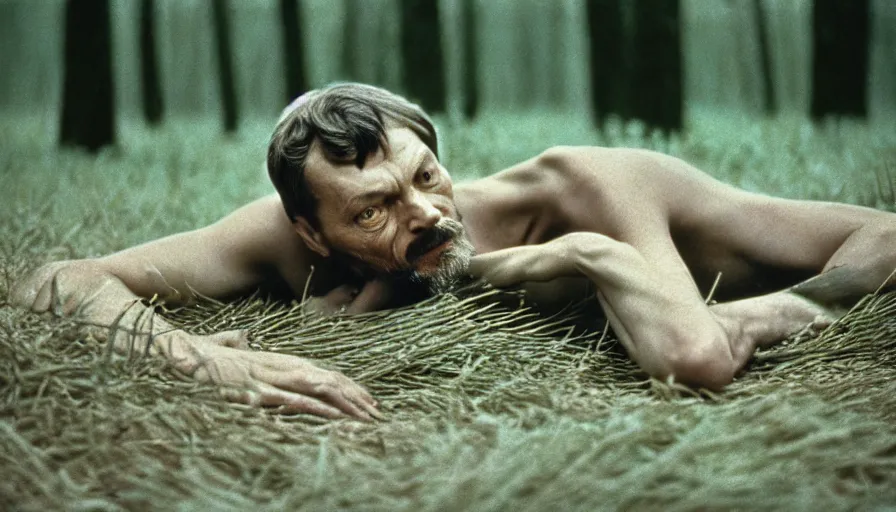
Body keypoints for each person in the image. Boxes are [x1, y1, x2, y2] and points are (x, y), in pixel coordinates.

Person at [12, 83, 896, 421]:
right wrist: (202, 360)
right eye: (376, 211)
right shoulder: (286, 240)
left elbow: (694, 356)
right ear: (312, 233)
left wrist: (579, 256)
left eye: (429, 176)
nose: (426, 212)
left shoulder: (592, 187)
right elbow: (57, 281)